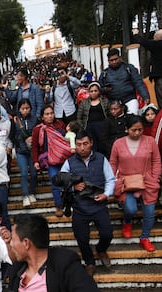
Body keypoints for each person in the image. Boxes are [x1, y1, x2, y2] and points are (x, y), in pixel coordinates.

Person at [60, 130, 115, 276]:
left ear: (91, 143)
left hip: (99, 205)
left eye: (85, 144)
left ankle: (101, 249)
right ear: (75, 146)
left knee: (107, 234)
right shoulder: (69, 162)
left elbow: (110, 179)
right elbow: (61, 181)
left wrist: (106, 194)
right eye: (79, 145)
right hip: (79, 207)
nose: (82, 148)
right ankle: (89, 262)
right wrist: (72, 186)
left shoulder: (101, 159)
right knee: (81, 238)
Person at [6, 214, 100, 291]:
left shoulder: (65, 265)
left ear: (26, 243)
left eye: (13, 240)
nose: (11, 244)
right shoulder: (17, 269)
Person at [109, 115, 161, 252]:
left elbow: (156, 161)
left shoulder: (150, 141)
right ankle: (127, 222)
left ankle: (145, 238)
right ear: (127, 129)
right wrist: (113, 181)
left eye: (140, 129)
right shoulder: (118, 143)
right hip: (126, 182)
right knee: (130, 209)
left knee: (149, 212)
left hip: (147, 181)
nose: (137, 133)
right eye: (134, 130)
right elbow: (113, 163)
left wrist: (155, 177)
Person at [32, 105, 68, 217]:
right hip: (50, 160)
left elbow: (67, 140)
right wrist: (35, 161)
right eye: (47, 114)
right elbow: (35, 147)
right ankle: (58, 205)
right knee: (55, 182)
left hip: (64, 158)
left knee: (67, 182)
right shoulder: (38, 129)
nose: (50, 116)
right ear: (42, 117)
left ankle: (68, 203)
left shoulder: (60, 125)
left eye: (51, 113)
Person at [99, 48, 150, 115]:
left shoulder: (129, 68)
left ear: (120, 58)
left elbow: (138, 83)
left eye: (115, 59)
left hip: (130, 99)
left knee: (133, 118)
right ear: (108, 61)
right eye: (111, 60)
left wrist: (145, 96)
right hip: (113, 102)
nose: (114, 62)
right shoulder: (104, 73)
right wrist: (105, 89)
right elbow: (99, 88)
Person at [13, 99, 38, 207]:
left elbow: (38, 133)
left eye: (27, 108)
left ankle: (32, 192)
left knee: (33, 173)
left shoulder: (35, 120)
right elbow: (13, 135)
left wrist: (33, 138)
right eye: (23, 108)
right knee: (23, 173)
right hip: (21, 150)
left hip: (32, 150)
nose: (25, 110)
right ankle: (25, 195)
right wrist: (21, 140)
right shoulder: (16, 121)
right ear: (19, 109)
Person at [77, 82, 110, 154]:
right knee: (92, 147)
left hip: (103, 127)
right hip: (89, 127)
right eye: (91, 91)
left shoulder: (105, 101)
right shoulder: (84, 103)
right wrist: (83, 127)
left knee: (103, 146)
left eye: (95, 91)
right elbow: (79, 117)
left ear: (99, 91)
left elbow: (109, 114)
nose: (93, 93)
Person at [132, 29, 162, 108]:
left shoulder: (157, 45)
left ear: (157, 38)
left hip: (160, 77)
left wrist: (136, 34)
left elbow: (143, 42)